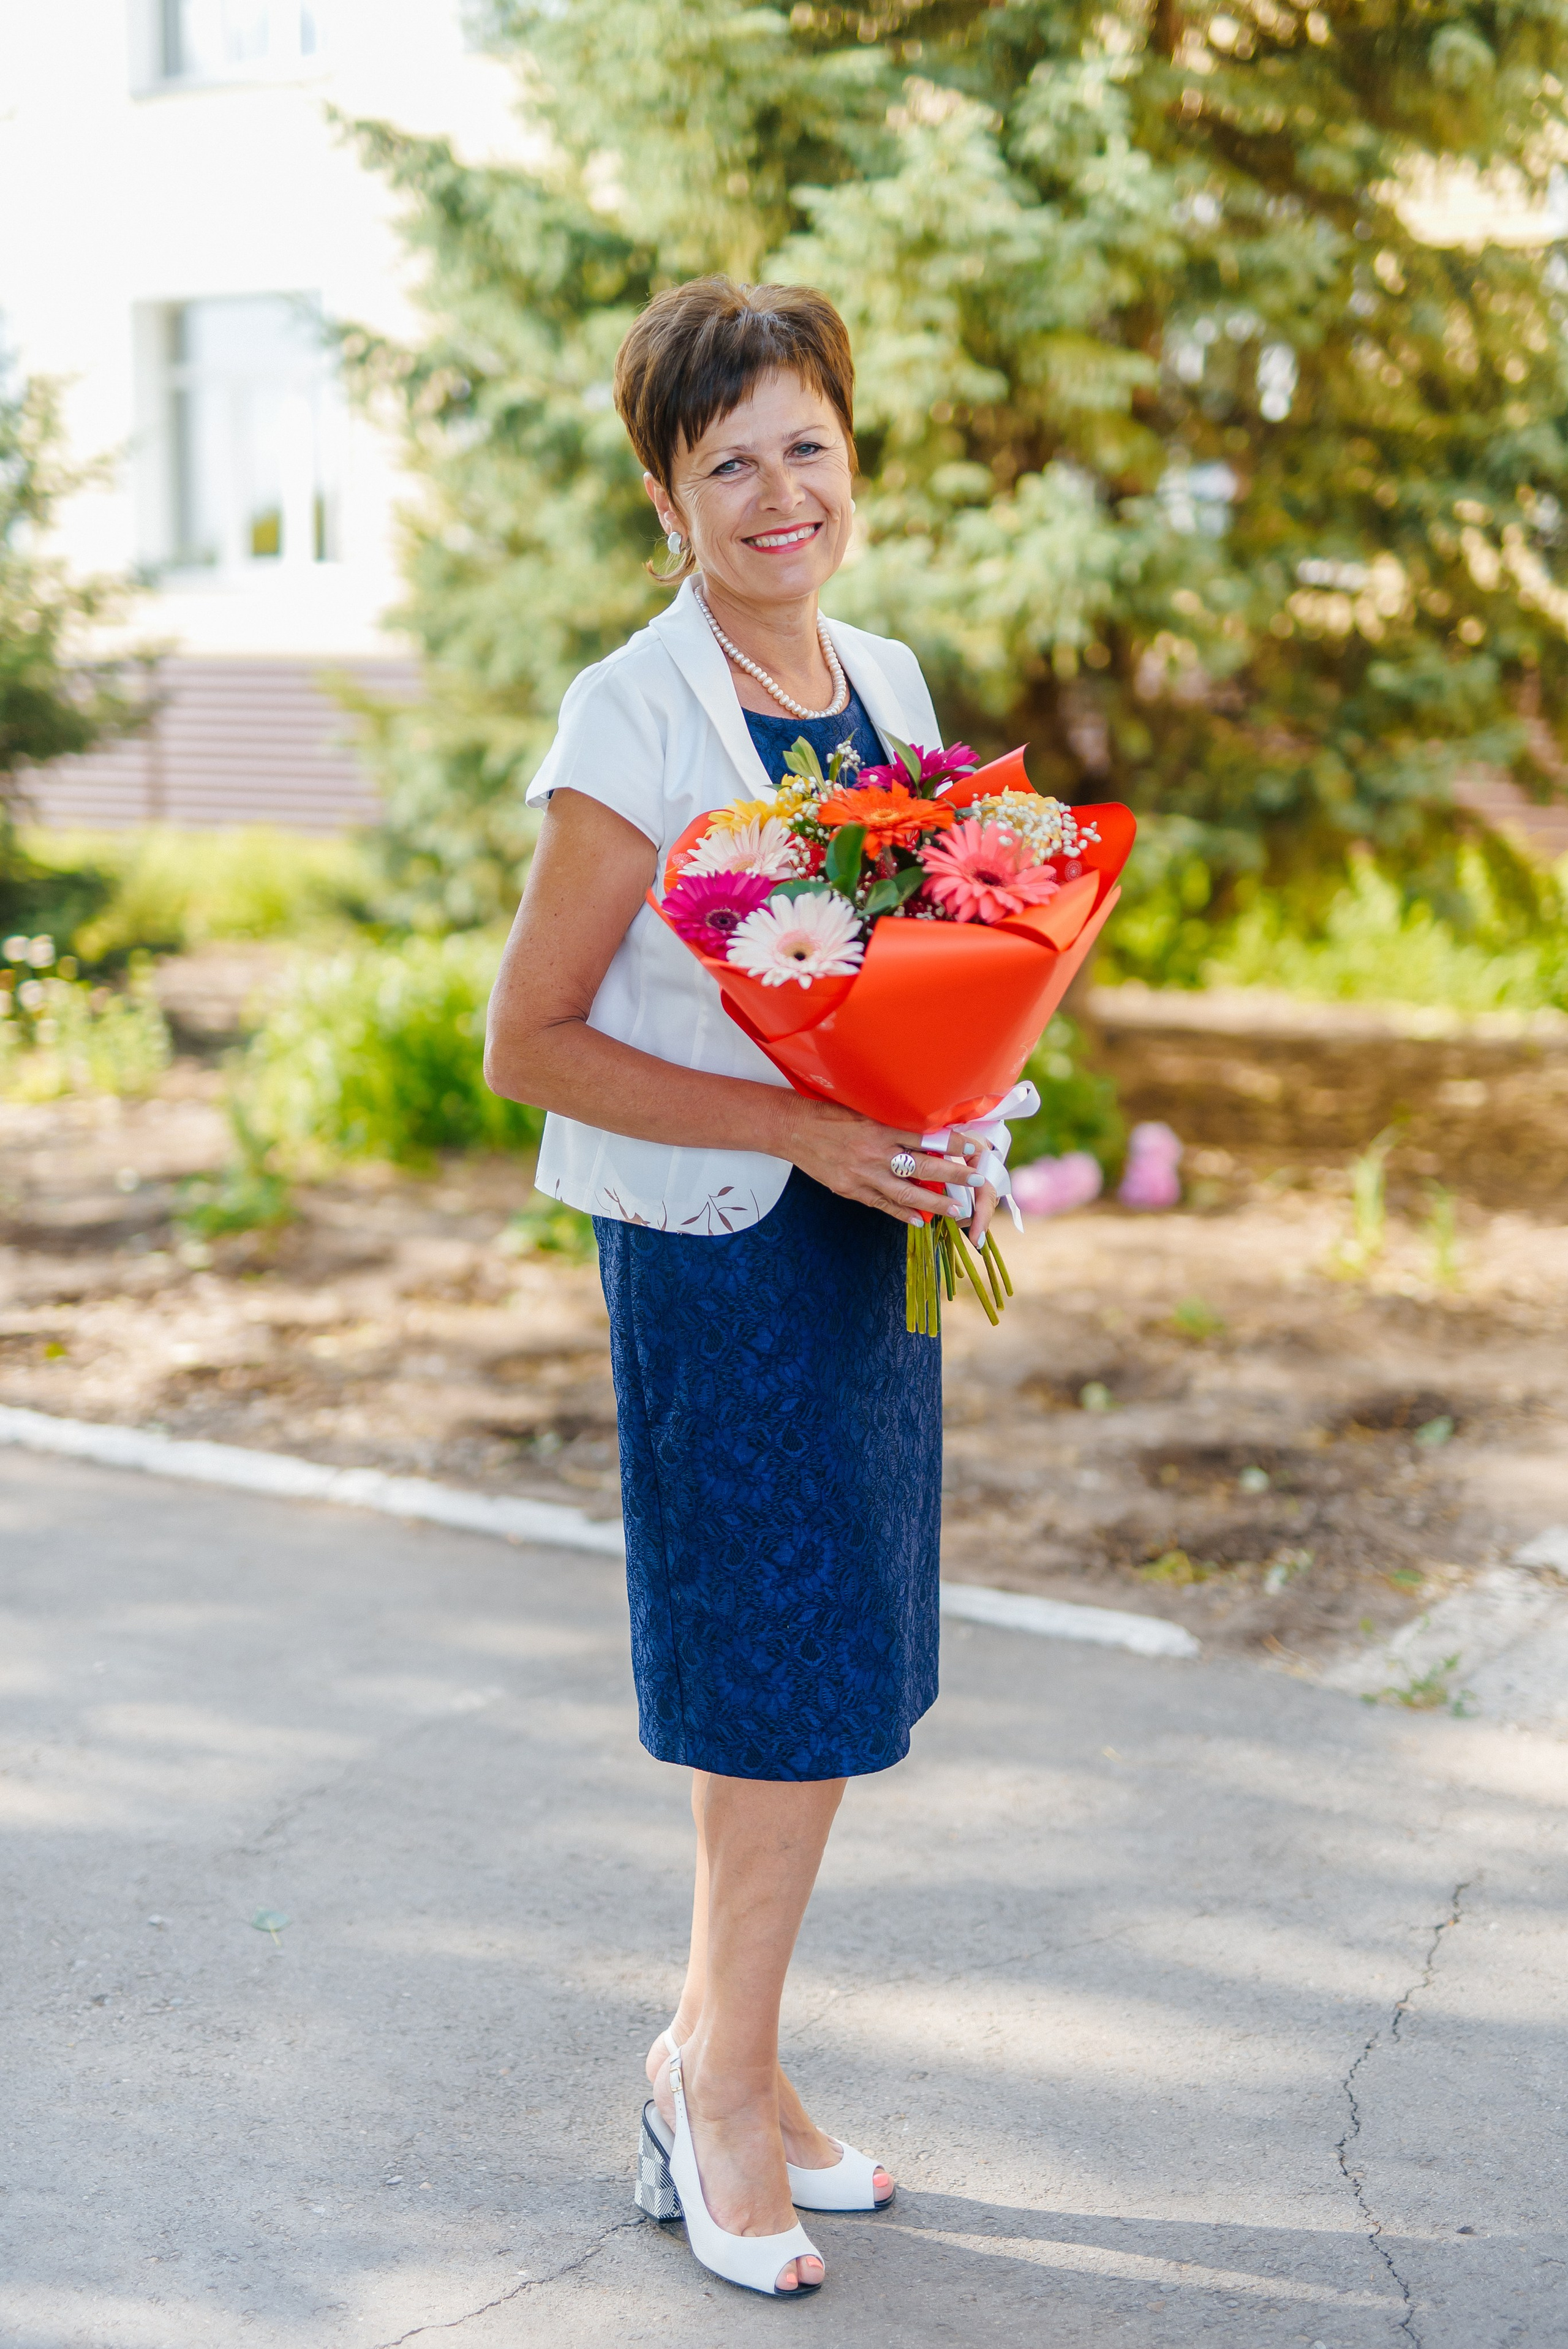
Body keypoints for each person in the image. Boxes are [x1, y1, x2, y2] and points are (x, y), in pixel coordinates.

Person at [484, 274, 996, 2300]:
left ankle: (736, 2059)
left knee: (833, 1677)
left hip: (871, 1241)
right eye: (729, 462)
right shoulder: (637, 709)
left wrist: (966, 1119)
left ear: (848, 458)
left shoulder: (884, 674)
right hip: (717, 1257)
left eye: (809, 444)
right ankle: (713, 2091)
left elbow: (944, 970)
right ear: (667, 495)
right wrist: (801, 1134)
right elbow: (527, 1037)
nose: (780, 492)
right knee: (769, 1689)